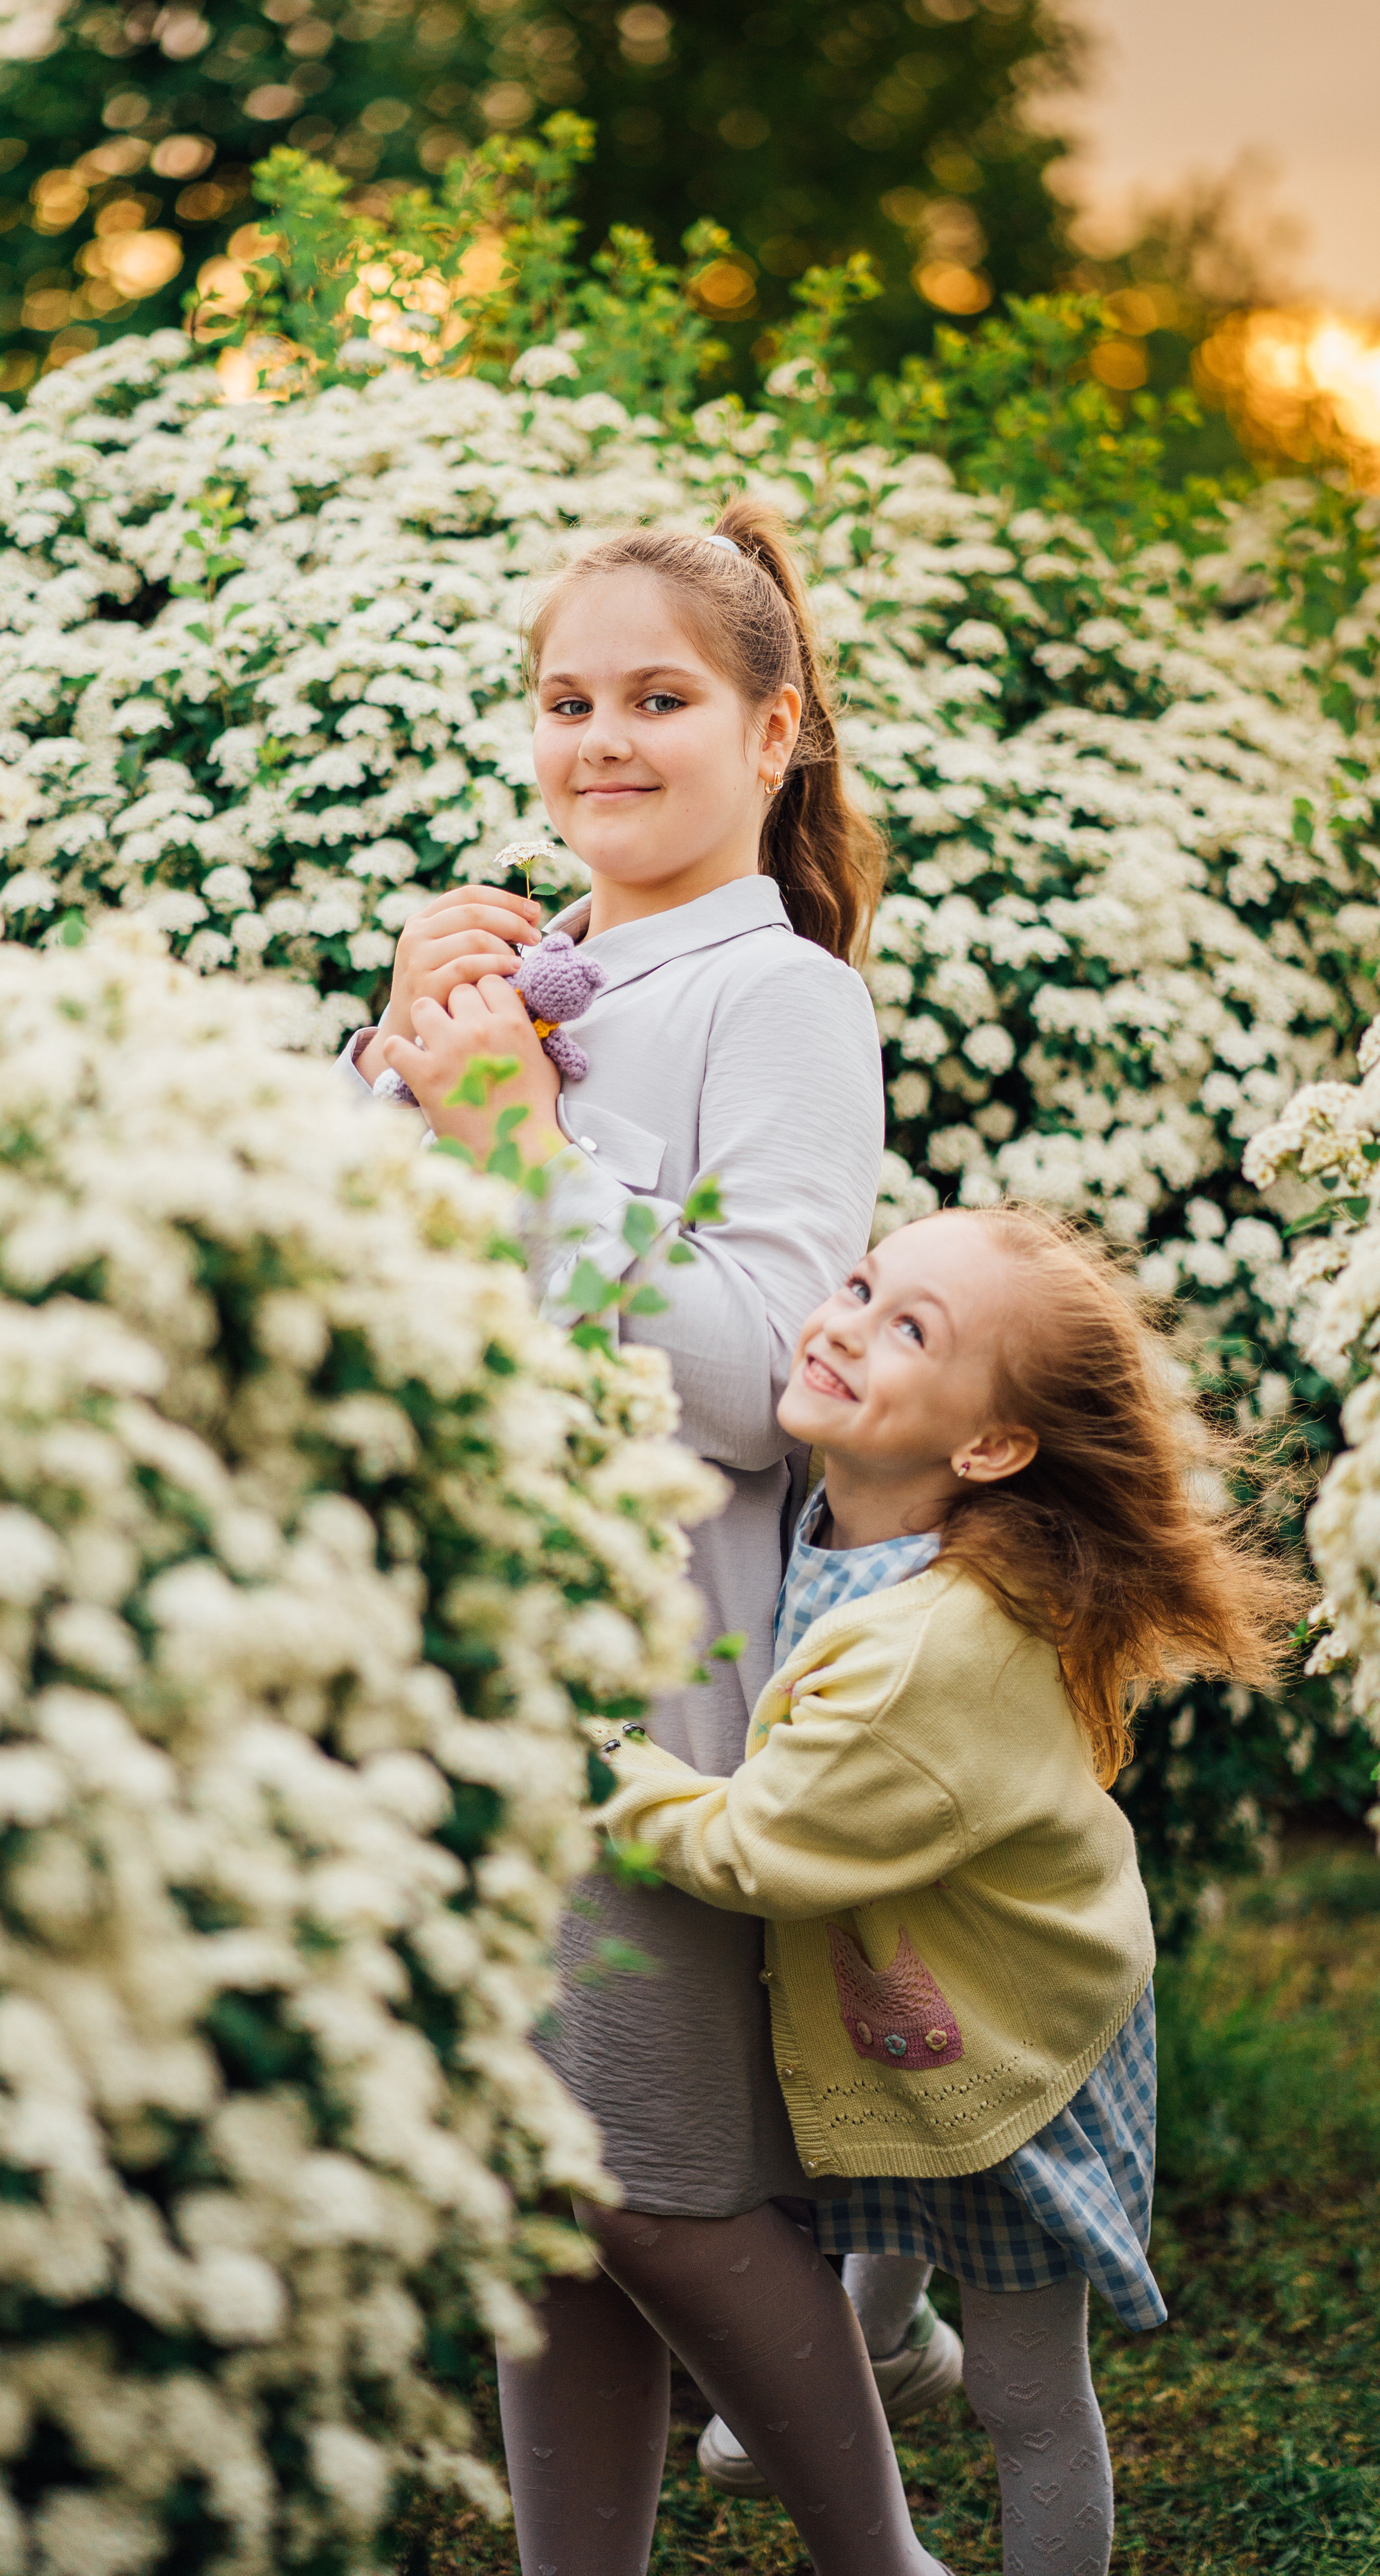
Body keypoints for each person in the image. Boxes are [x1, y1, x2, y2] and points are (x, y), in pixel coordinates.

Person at [337, 503, 951, 2573]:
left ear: (774, 733)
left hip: (655, 1660)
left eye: (660, 700)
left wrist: (517, 1134)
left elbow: (764, 1366)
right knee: (544, 2178)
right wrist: (389, 1071)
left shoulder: (773, 1004)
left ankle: (888, 2561)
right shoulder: (534, 985)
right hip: (472, 1636)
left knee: (666, 2183)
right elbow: (357, 1282)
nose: (601, 740)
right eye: (568, 700)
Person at [594, 1205, 1305, 2576]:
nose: (845, 1321)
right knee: (891, 2173)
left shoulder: (932, 1647)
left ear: (984, 1450)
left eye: (907, 1327)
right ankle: (871, 2340)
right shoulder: (835, 1520)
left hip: (1018, 2043)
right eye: (860, 1283)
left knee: (1026, 2399)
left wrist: (600, 1762)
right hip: (924, 1990)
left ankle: (891, 2356)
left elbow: (760, 1850)